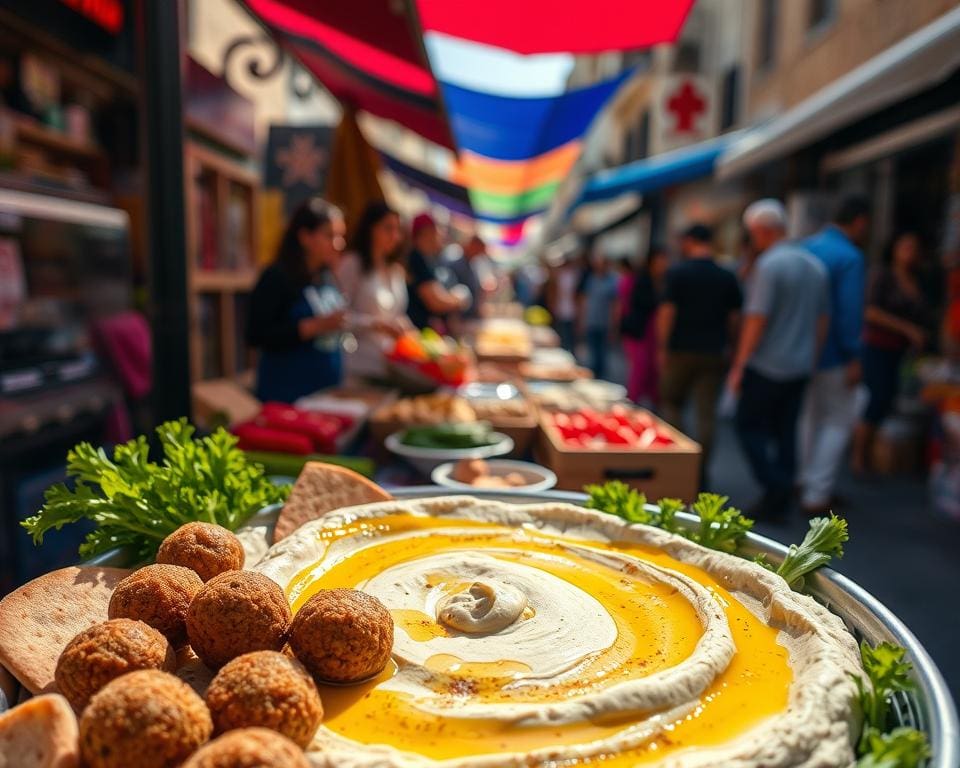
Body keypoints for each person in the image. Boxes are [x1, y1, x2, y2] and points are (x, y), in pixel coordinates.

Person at [728, 200, 830, 519]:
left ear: (763, 230)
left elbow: (756, 319)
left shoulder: (770, 265)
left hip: (767, 365)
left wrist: (739, 366)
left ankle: (776, 487)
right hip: (799, 366)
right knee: (787, 433)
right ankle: (780, 492)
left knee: (747, 425)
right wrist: (810, 359)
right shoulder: (815, 266)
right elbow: (822, 321)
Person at [797, 196, 871, 514]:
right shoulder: (850, 257)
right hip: (833, 354)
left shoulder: (805, 249)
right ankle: (816, 493)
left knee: (808, 417)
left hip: (801, 350)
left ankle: (801, 479)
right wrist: (853, 355)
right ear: (859, 222)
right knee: (838, 419)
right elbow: (848, 313)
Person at [658, 224, 742, 488]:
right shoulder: (726, 275)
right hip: (714, 351)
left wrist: (663, 347)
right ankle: (699, 471)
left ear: (690, 241)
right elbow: (734, 319)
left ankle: (682, 461)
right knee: (706, 415)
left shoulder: (678, 273)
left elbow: (666, 313)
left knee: (672, 402)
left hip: (682, 349)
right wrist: (730, 346)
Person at [247, 198, 348, 403]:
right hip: (287, 398)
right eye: (330, 235)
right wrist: (314, 326)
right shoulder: (277, 277)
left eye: (341, 236)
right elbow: (255, 334)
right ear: (305, 237)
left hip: (326, 394)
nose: (339, 244)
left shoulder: (326, 275)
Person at [852, 231, 927, 474]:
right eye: (905, 246)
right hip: (877, 346)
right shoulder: (882, 275)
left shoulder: (917, 280)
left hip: (899, 352)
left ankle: (870, 454)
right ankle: (859, 457)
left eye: (913, 248)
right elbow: (870, 312)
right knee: (876, 399)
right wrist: (907, 329)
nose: (909, 253)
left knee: (886, 399)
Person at [337, 201, 410, 381]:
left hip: (391, 361)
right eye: (388, 228)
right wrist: (375, 324)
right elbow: (338, 316)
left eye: (397, 229)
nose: (395, 236)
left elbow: (397, 314)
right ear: (371, 229)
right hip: (359, 364)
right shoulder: (352, 265)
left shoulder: (395, 270)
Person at [621, 247, 669, 408]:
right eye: (660, 260)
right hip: (639, 331)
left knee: (652, 371)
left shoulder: (664, 281)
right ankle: (632, 404)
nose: (663, 264)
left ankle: (653, 404)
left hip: (653, 334)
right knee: (640, 369)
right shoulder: (640, 281)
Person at [405, 213, 469, 332]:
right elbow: (436, 302)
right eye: (438, 229)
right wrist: (460, 299)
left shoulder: (427, 258)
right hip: (418, 333)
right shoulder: (416, 258)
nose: (441, 234)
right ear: (427, 232)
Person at [577, 252, 620, 380]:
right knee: (592, 354)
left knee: (602, 355)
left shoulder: (613, 281)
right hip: (591, 321)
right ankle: (593, 378)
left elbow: (615, 305)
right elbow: (585, 301)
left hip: (605, 323)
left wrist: (614, 325)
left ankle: (600, 379)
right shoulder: (592, 279)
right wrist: (582, 319)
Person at [448, 235, 496, 322]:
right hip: (457, 318)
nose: (478, 255)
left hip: (469, 316)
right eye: (478, 251)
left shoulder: (473, 263)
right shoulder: (455, 260)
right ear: (472, 245)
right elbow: (450, 291)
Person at [548, 256, 581, 352]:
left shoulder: (574, 276)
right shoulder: (559, 276)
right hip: (562, 310)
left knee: (571, 337)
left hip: (572, 311)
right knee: (563, 336)